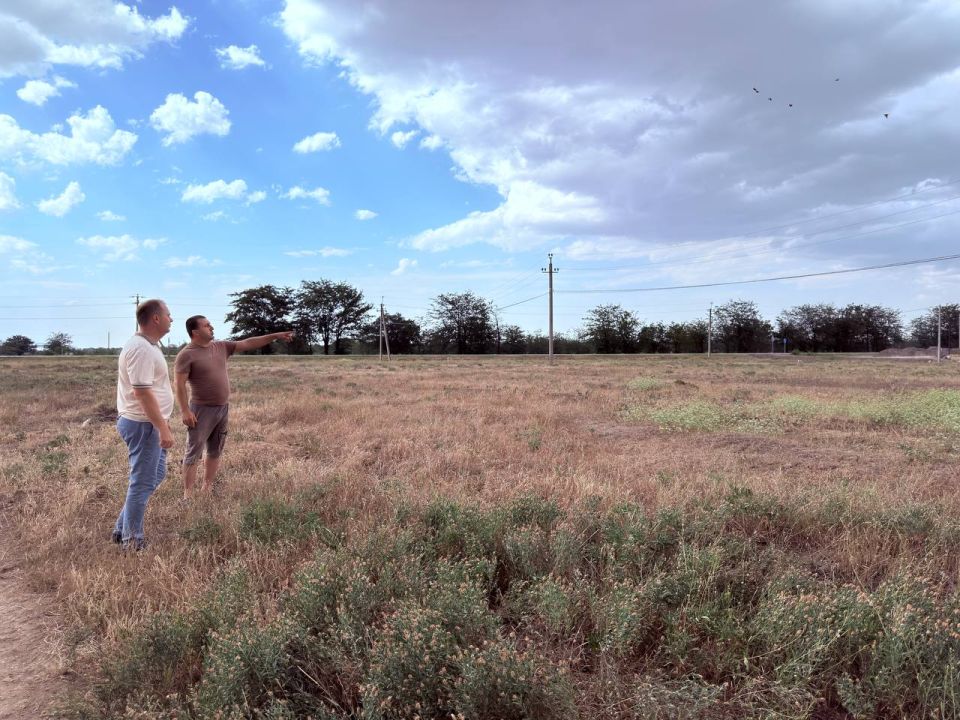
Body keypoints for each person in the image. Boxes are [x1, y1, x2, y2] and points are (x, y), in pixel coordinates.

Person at [174, 316, 294, 498]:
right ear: (195, 332)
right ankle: (187, 495)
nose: (212, 327)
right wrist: (185, 410)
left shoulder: (221, 346)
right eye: (207, 325)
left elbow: (248, 343)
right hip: (200, 410)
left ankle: (207, 488)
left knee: (215, 450)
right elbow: (179, 385)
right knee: (193, 452)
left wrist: (275, 335)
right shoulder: (186, 354)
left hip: (222, 409)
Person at [112, 299, 174, 551]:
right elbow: (142, 392)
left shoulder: (150, 346)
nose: (172, 318)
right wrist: (162, 427)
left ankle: (121, 529)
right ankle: (132, 541)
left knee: (156, 475)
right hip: (143, 425)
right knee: (141, 482)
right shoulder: (141, 348)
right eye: (169, 315)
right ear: (156, 318)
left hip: (148, 424)